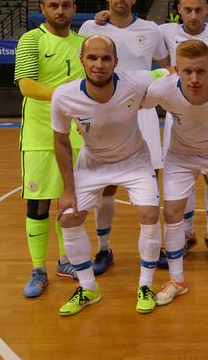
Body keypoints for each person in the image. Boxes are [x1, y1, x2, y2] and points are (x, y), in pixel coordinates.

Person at [51, 35, 168, 316]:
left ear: (116, 62)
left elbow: (169, 72)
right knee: (68, 216)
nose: (99, 64)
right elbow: (61, 142)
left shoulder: (137, 81)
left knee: (150, 215)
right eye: (92, 58)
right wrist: (68, 189)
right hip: (93, 162)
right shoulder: (64, 96)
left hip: (135, 160)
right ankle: (89, 288)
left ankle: (145, 286)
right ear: (82, 60)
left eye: (106, 58)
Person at [78, 0, 169, 276]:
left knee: (150, 186)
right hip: (103, 115)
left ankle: (154, 248)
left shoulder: (151, 29)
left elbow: (168, 67)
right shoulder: (91, 27)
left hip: (141, 114)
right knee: (106, 186)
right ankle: (104, 249)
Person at [142, 40, 208, 304]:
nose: (195, 78)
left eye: (201, 71)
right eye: (187, 71)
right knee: (172, 212)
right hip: (181, 155)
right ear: (176, 69)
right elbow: (127, 98)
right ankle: (177, 280)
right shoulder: (162, 90)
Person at [13, 0, 83, 298]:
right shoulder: (31, 40)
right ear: (43, 9)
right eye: (53, 5)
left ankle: (65, 260)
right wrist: (66, 96)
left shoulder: (83, 43)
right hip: (41, 137)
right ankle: (37, 268)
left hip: (76, 138)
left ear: (74, 8)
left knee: (69, 204)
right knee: (39, 203)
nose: (60, 10)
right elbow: (27, 86)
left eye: (65, 5)